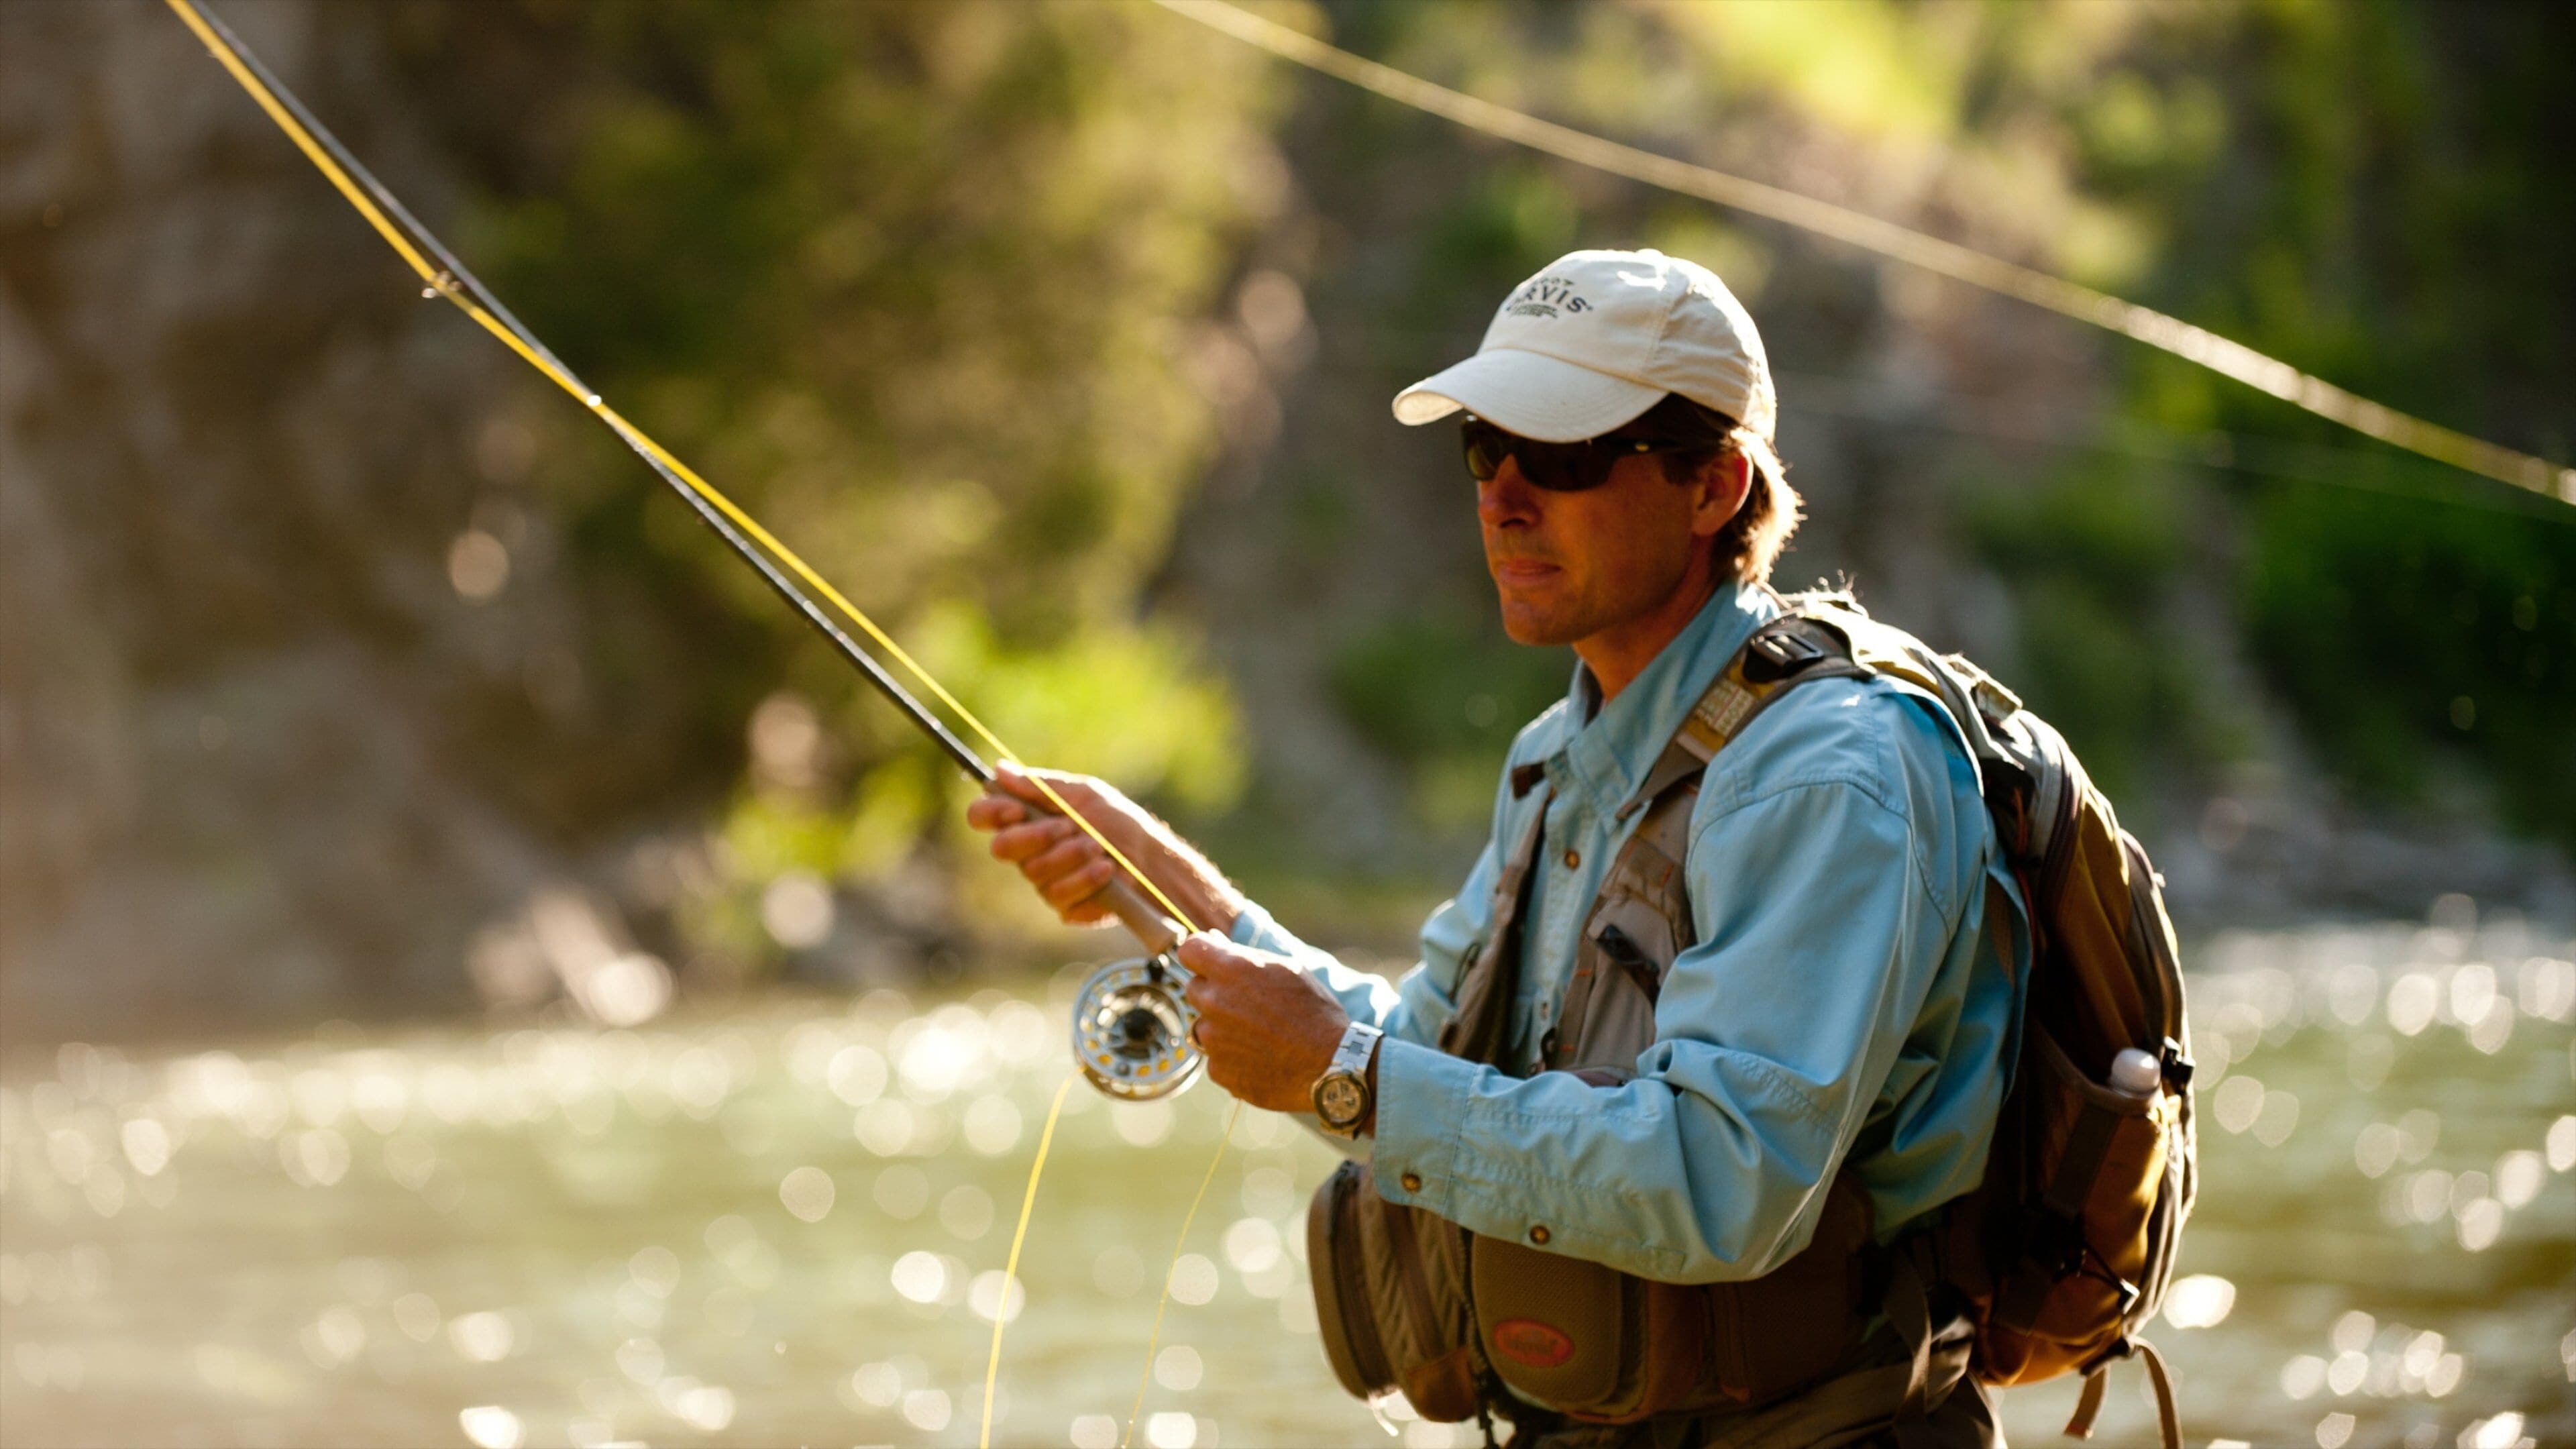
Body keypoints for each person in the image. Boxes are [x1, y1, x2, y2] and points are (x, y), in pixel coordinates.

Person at [967, 249, 2021, 1447]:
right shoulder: (1558, 754)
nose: (1505, 496)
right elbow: (1417, 1056)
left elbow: (1727, 1187)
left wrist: (1344, 1075)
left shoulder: (1827, 776)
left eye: (1564, 455)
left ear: (1715, 486)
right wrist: (1158, 891)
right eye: (1486, 448)